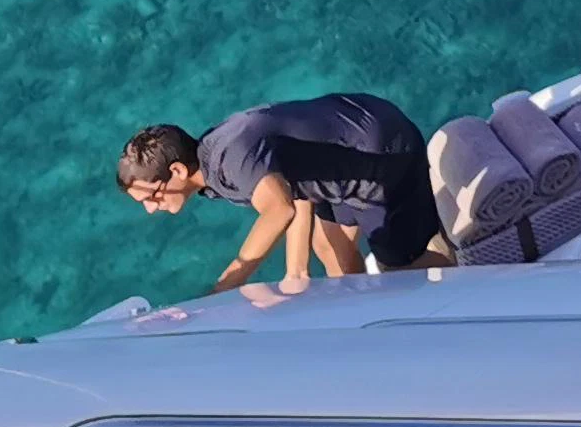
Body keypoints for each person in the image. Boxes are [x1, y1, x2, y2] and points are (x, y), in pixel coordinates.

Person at [118, 94, 451, 293]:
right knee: (328, 245)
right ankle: (366, 311)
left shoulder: (230, 163)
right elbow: (295, 192)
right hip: (345, 155)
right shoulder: (211, 157)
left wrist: (226, 285)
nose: (150, 209)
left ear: (175, 172)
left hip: (381, 158)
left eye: (151, 197)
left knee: (399, 274)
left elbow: (279, 211)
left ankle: (454, 262)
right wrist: (296, 271)